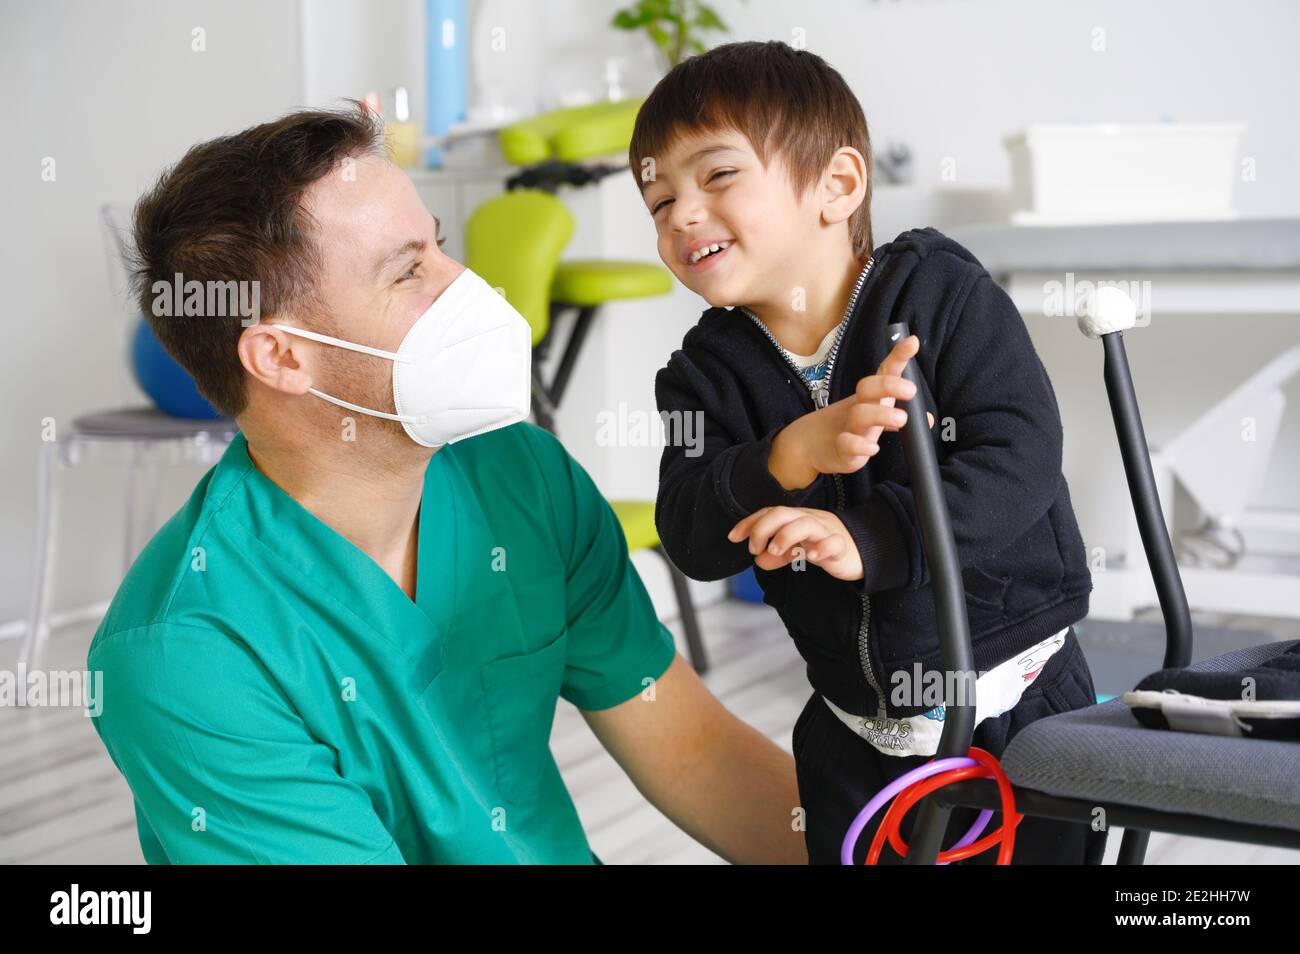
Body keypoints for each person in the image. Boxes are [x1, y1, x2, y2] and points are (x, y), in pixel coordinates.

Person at [87, 102, 806, 864]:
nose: (467, 285)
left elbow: (694, 754)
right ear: (283, 358)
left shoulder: (522, 475)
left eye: (439, 246)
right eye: (408, 270)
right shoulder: (185, 654)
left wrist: (881, 850)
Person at [636, 41, 1099, 864]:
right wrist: (782, 457)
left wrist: (875, 539)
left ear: (837, 185)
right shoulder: (698, 379)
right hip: (856, 734)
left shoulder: (942, 294)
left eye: (715, 177)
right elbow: (688, 533)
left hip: (1024, 707)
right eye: (658, 198)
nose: (680, 215)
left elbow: (1019, 454)